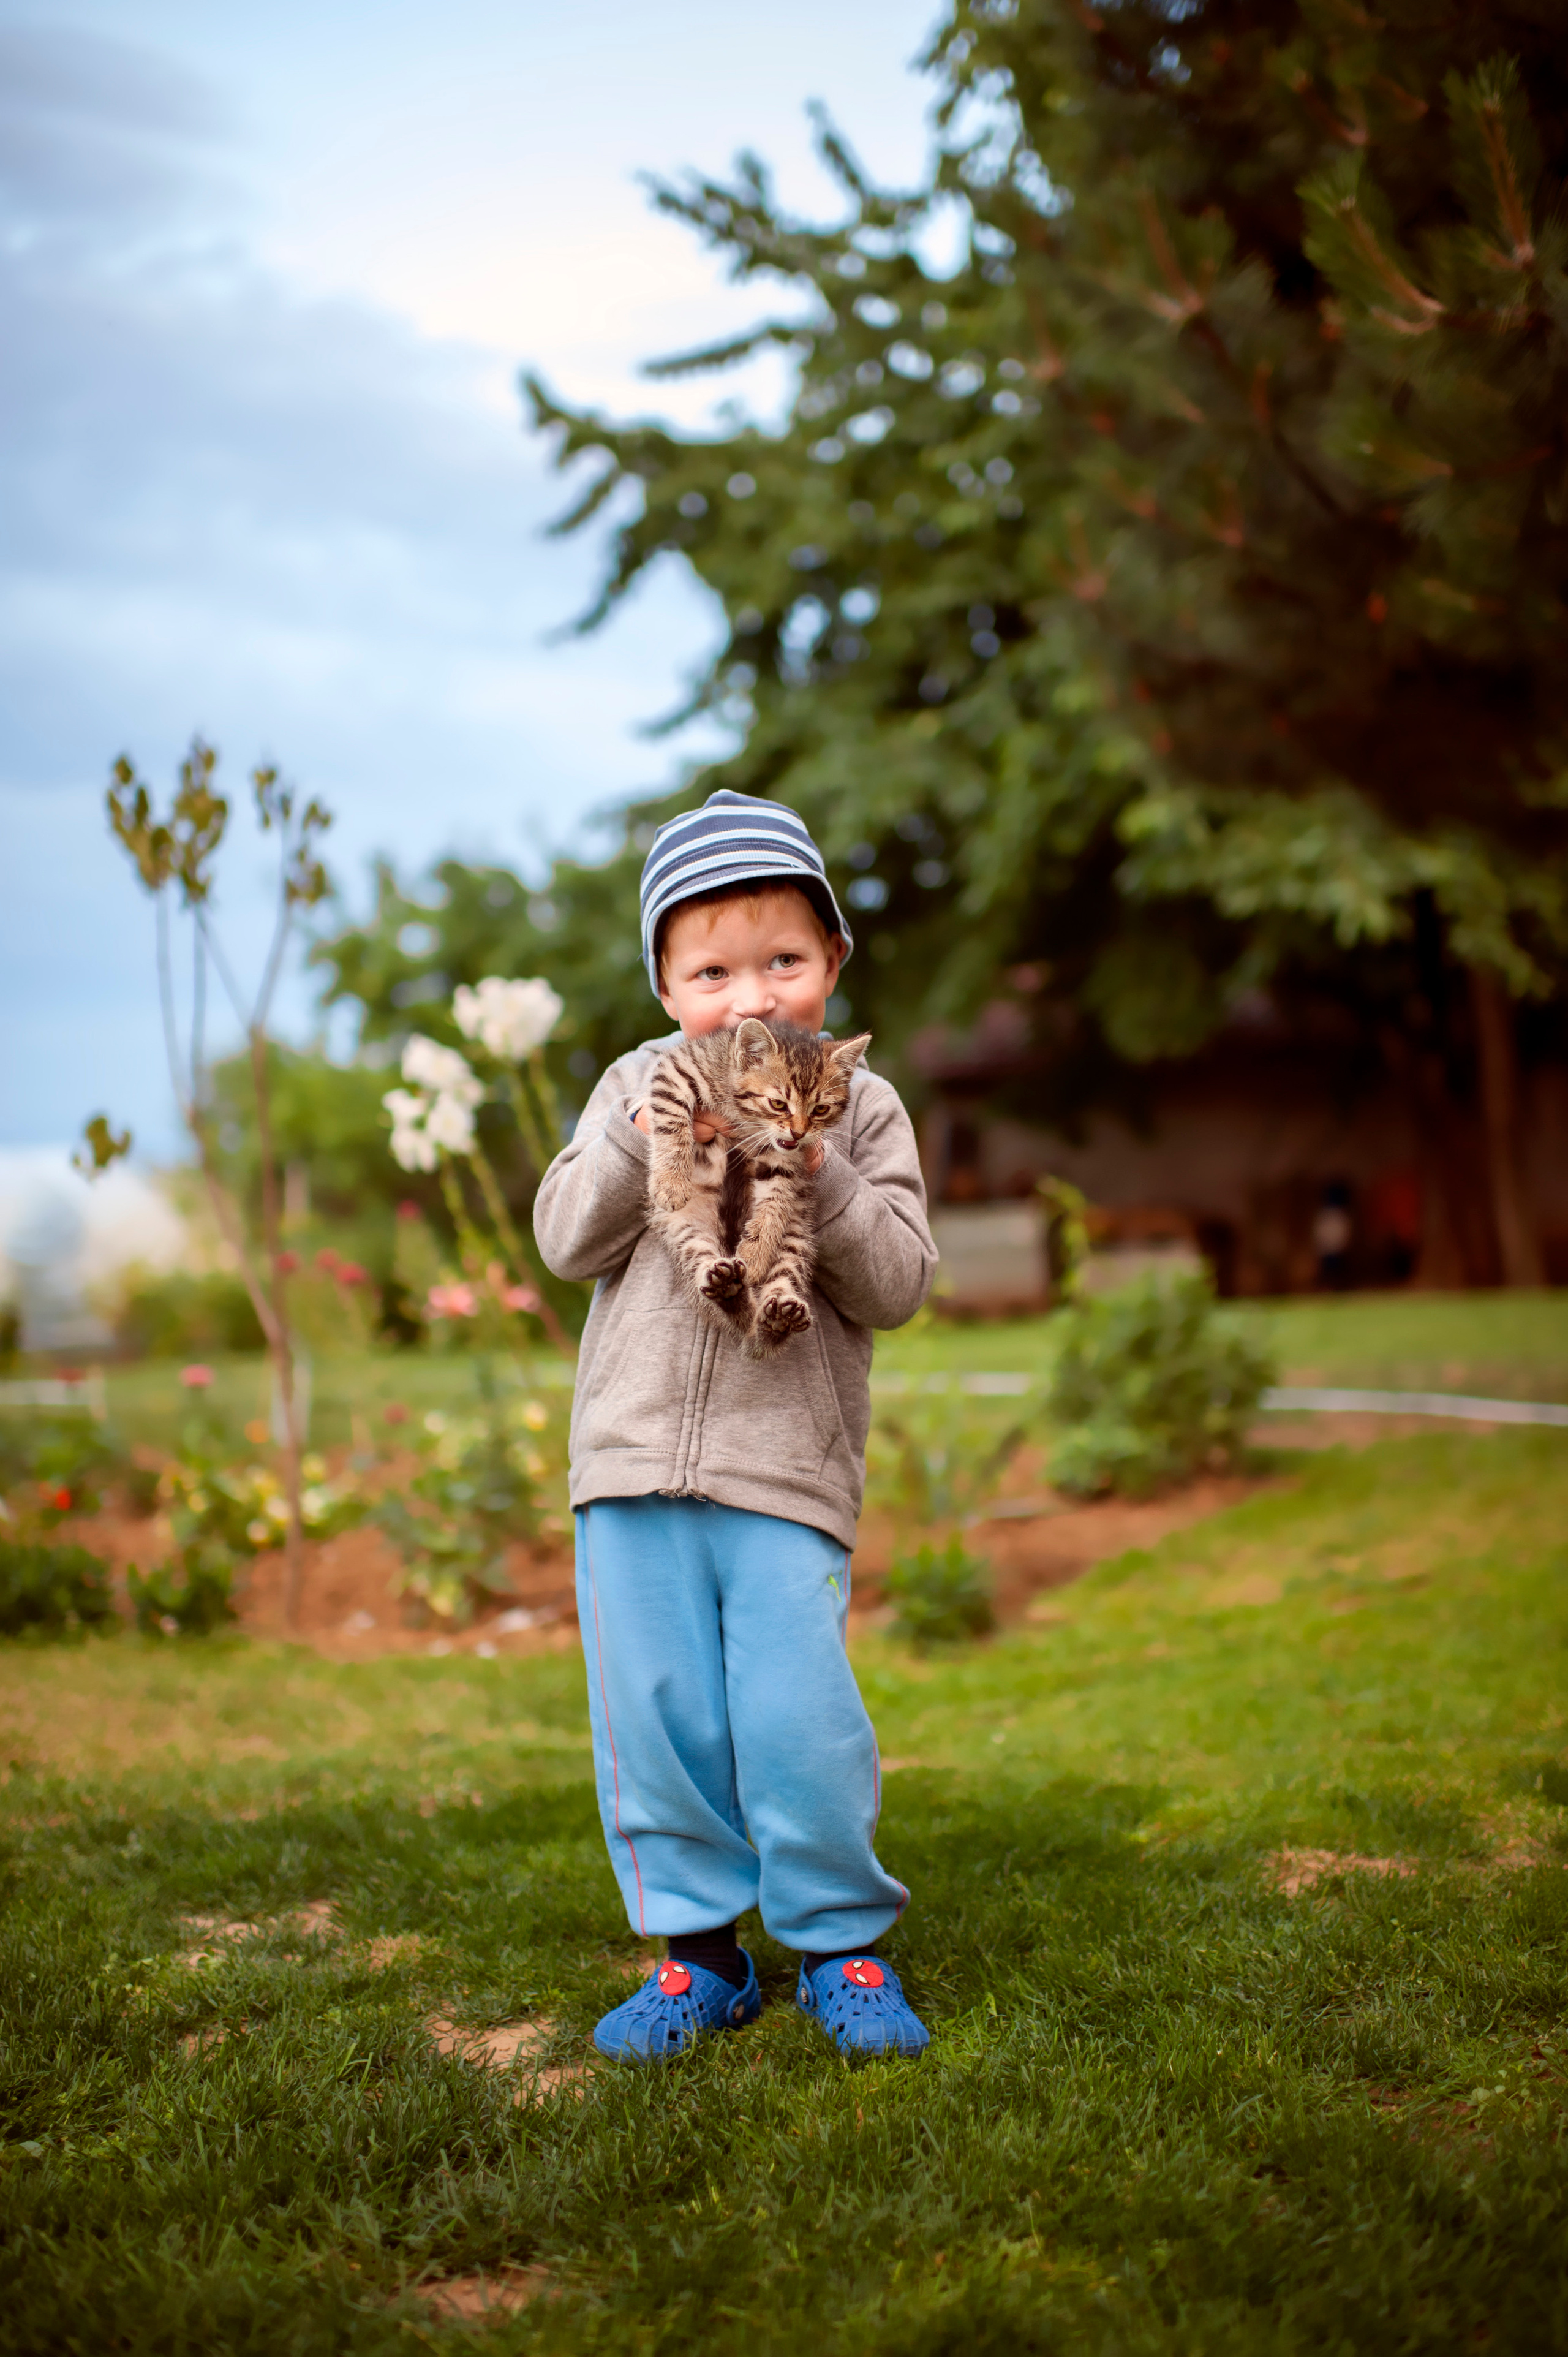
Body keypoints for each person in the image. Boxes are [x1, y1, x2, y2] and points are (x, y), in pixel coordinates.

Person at [533, 788, 937, 2062]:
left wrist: (819, 1164)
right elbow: (566, 1238)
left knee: (795, 1719)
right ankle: (699, 1958)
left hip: (783, 1472)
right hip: (633, 1464)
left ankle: (838, 1942)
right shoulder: (627, 1086)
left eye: (782, 960)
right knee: (654, 1716)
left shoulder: (858, 1105)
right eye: (710, 968)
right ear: (664, 985)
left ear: (829, 967)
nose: (748, 998)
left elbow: (898, 1283)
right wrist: (640, 1134)